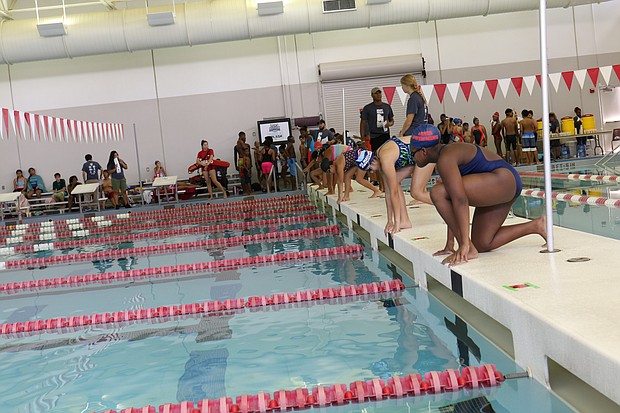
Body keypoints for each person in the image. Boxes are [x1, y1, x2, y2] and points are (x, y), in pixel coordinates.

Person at [409, 124, 546, 267]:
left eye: (413, 153)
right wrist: (450, 244)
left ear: (424, 151)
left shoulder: (445, 158)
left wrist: (464, 245)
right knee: (483, 242)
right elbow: (451, 203)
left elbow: (459, 200)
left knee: (437, 192)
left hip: (503, 181)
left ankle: (468, 249)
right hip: (506, 183)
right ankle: (536, 225)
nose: (413, 159)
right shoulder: (446, 154)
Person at [360, 87, 395, 153]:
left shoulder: (387, 106)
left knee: (386, 153)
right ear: (372, 95)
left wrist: (389, 124)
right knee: (376, 154)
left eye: (379, 93)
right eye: (376, 93)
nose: (378, 95)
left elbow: (392, 120)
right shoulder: (367, 108)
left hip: (385, 134)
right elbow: (362, 124)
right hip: (374, 136)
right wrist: (363, 140)